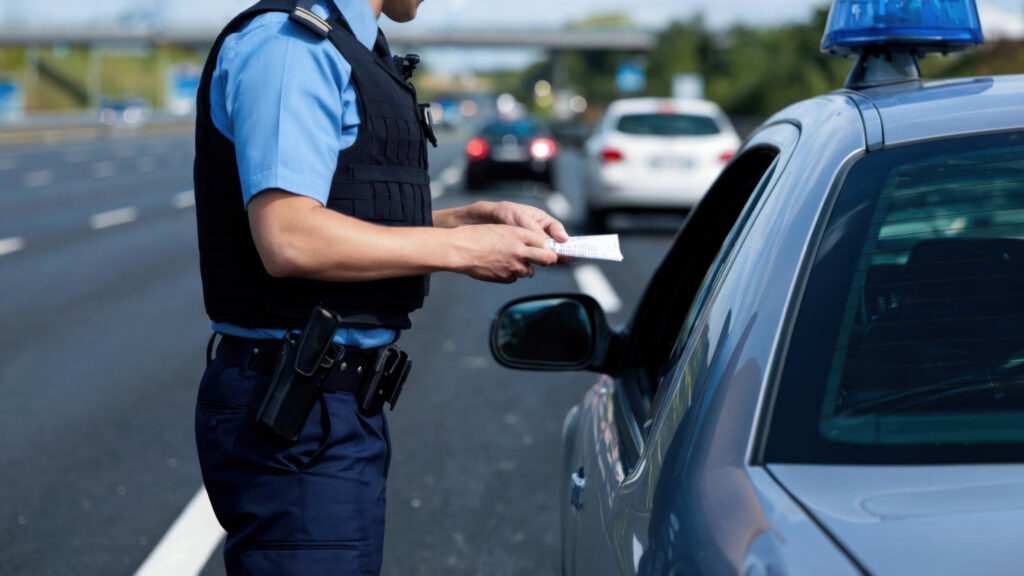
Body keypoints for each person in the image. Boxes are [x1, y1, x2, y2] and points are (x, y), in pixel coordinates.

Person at [192, 0, 569, 574]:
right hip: (293, 409)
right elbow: (289, 236)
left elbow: (342, 209)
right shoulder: (294, 47)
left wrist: (468, 221)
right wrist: (461, 252)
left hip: (327, 405)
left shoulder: (352, 46)